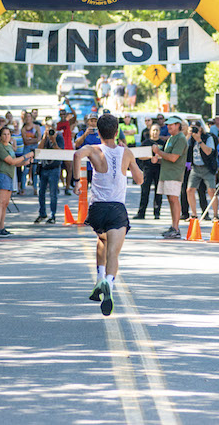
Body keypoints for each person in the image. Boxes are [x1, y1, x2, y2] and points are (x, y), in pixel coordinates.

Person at [73, 113, 143, 316]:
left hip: (97, 210)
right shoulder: (126, 152)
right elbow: (139, 179)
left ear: (99, 132)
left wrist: (77, 180)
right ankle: (109, 286)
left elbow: (77, 155)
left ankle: (99, 279)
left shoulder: (93, 149)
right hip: (116, 209)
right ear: (117, 131)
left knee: (102, 240)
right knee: (113, 251)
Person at [0, 126, 33, 236]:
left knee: (5, 203)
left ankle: (2, 226)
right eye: (4, 134)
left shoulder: (10, 147)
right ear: (0, 136)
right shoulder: (0, 147)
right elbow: (11, 161)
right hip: (2, 174)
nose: (6, 136)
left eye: (8, 134)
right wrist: (26, 155)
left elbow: (15, 163)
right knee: (1, 202)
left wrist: (25, 162)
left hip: (10, 175)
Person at [152, 116, 187, 239]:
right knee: (171, 200)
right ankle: (173, 227)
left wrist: (158, 152)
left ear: (178, 125)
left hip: (174, 174)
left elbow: (173, 158)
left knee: (174, 199)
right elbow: (168, 157)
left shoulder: (180, 138)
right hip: (167, 173)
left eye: (171, 124)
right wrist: (158, 159)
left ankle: (176, 228)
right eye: (168, 125)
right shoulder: (172, 138)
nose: (168, 127)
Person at [186, 121, 218, 221]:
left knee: (211, 191)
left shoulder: (208, 137)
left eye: (196, 128)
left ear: (201, 128)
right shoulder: (190, 139)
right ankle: (194, 214)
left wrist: (199, 140)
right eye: (193, 128)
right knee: (190, 190)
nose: (195, 130)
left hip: (207, 168)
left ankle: (215, 215)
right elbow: (184, 148)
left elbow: (208, 152)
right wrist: (188, 135)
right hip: (195, 168)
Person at [34, 121, 64, 224]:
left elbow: (60, 152)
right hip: (43, 168)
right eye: (48, 128)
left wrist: (53, 139)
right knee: (41, 192)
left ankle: (53, 215)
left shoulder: (59, 137)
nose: (50, 131)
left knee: (53, 193)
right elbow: (39, 150)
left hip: (54, 168)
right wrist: (44, 137)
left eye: (52, 128)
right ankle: (42, 213)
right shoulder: (44, 138)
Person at [134, 124, 163, 220]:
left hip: (159, 169)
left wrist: (158, 158)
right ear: (150, 131)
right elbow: (140, 156)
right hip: (148, 169)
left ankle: (157, 212)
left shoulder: (162, 143)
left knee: (158, 192)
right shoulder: (146, 142)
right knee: (145, 191)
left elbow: (165, 155)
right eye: (153, 130)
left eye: (157, 130)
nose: (155, 132)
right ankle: (141, 213)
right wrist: (150, 157)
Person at [75, 113, 101, 183]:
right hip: (85, 165)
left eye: (95, 121)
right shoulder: (82, 132)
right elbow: (77, 144)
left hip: (97, 165)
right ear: (87, 122)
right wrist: (85, 134)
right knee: (83, 187)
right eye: (91, 121)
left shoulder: (101, 133)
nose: (93, 123)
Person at [56, 104, 77, 195]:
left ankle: (67, 187)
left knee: (69, 168)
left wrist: (69, 105)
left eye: (65, 114)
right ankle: (63, 184)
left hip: (68, 147)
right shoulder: (57, 125)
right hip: (60, 148)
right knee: (59, 168)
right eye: (62, 114)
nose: (63, 116)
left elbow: (75, 115)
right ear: (60, 115)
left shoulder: (69, 123)